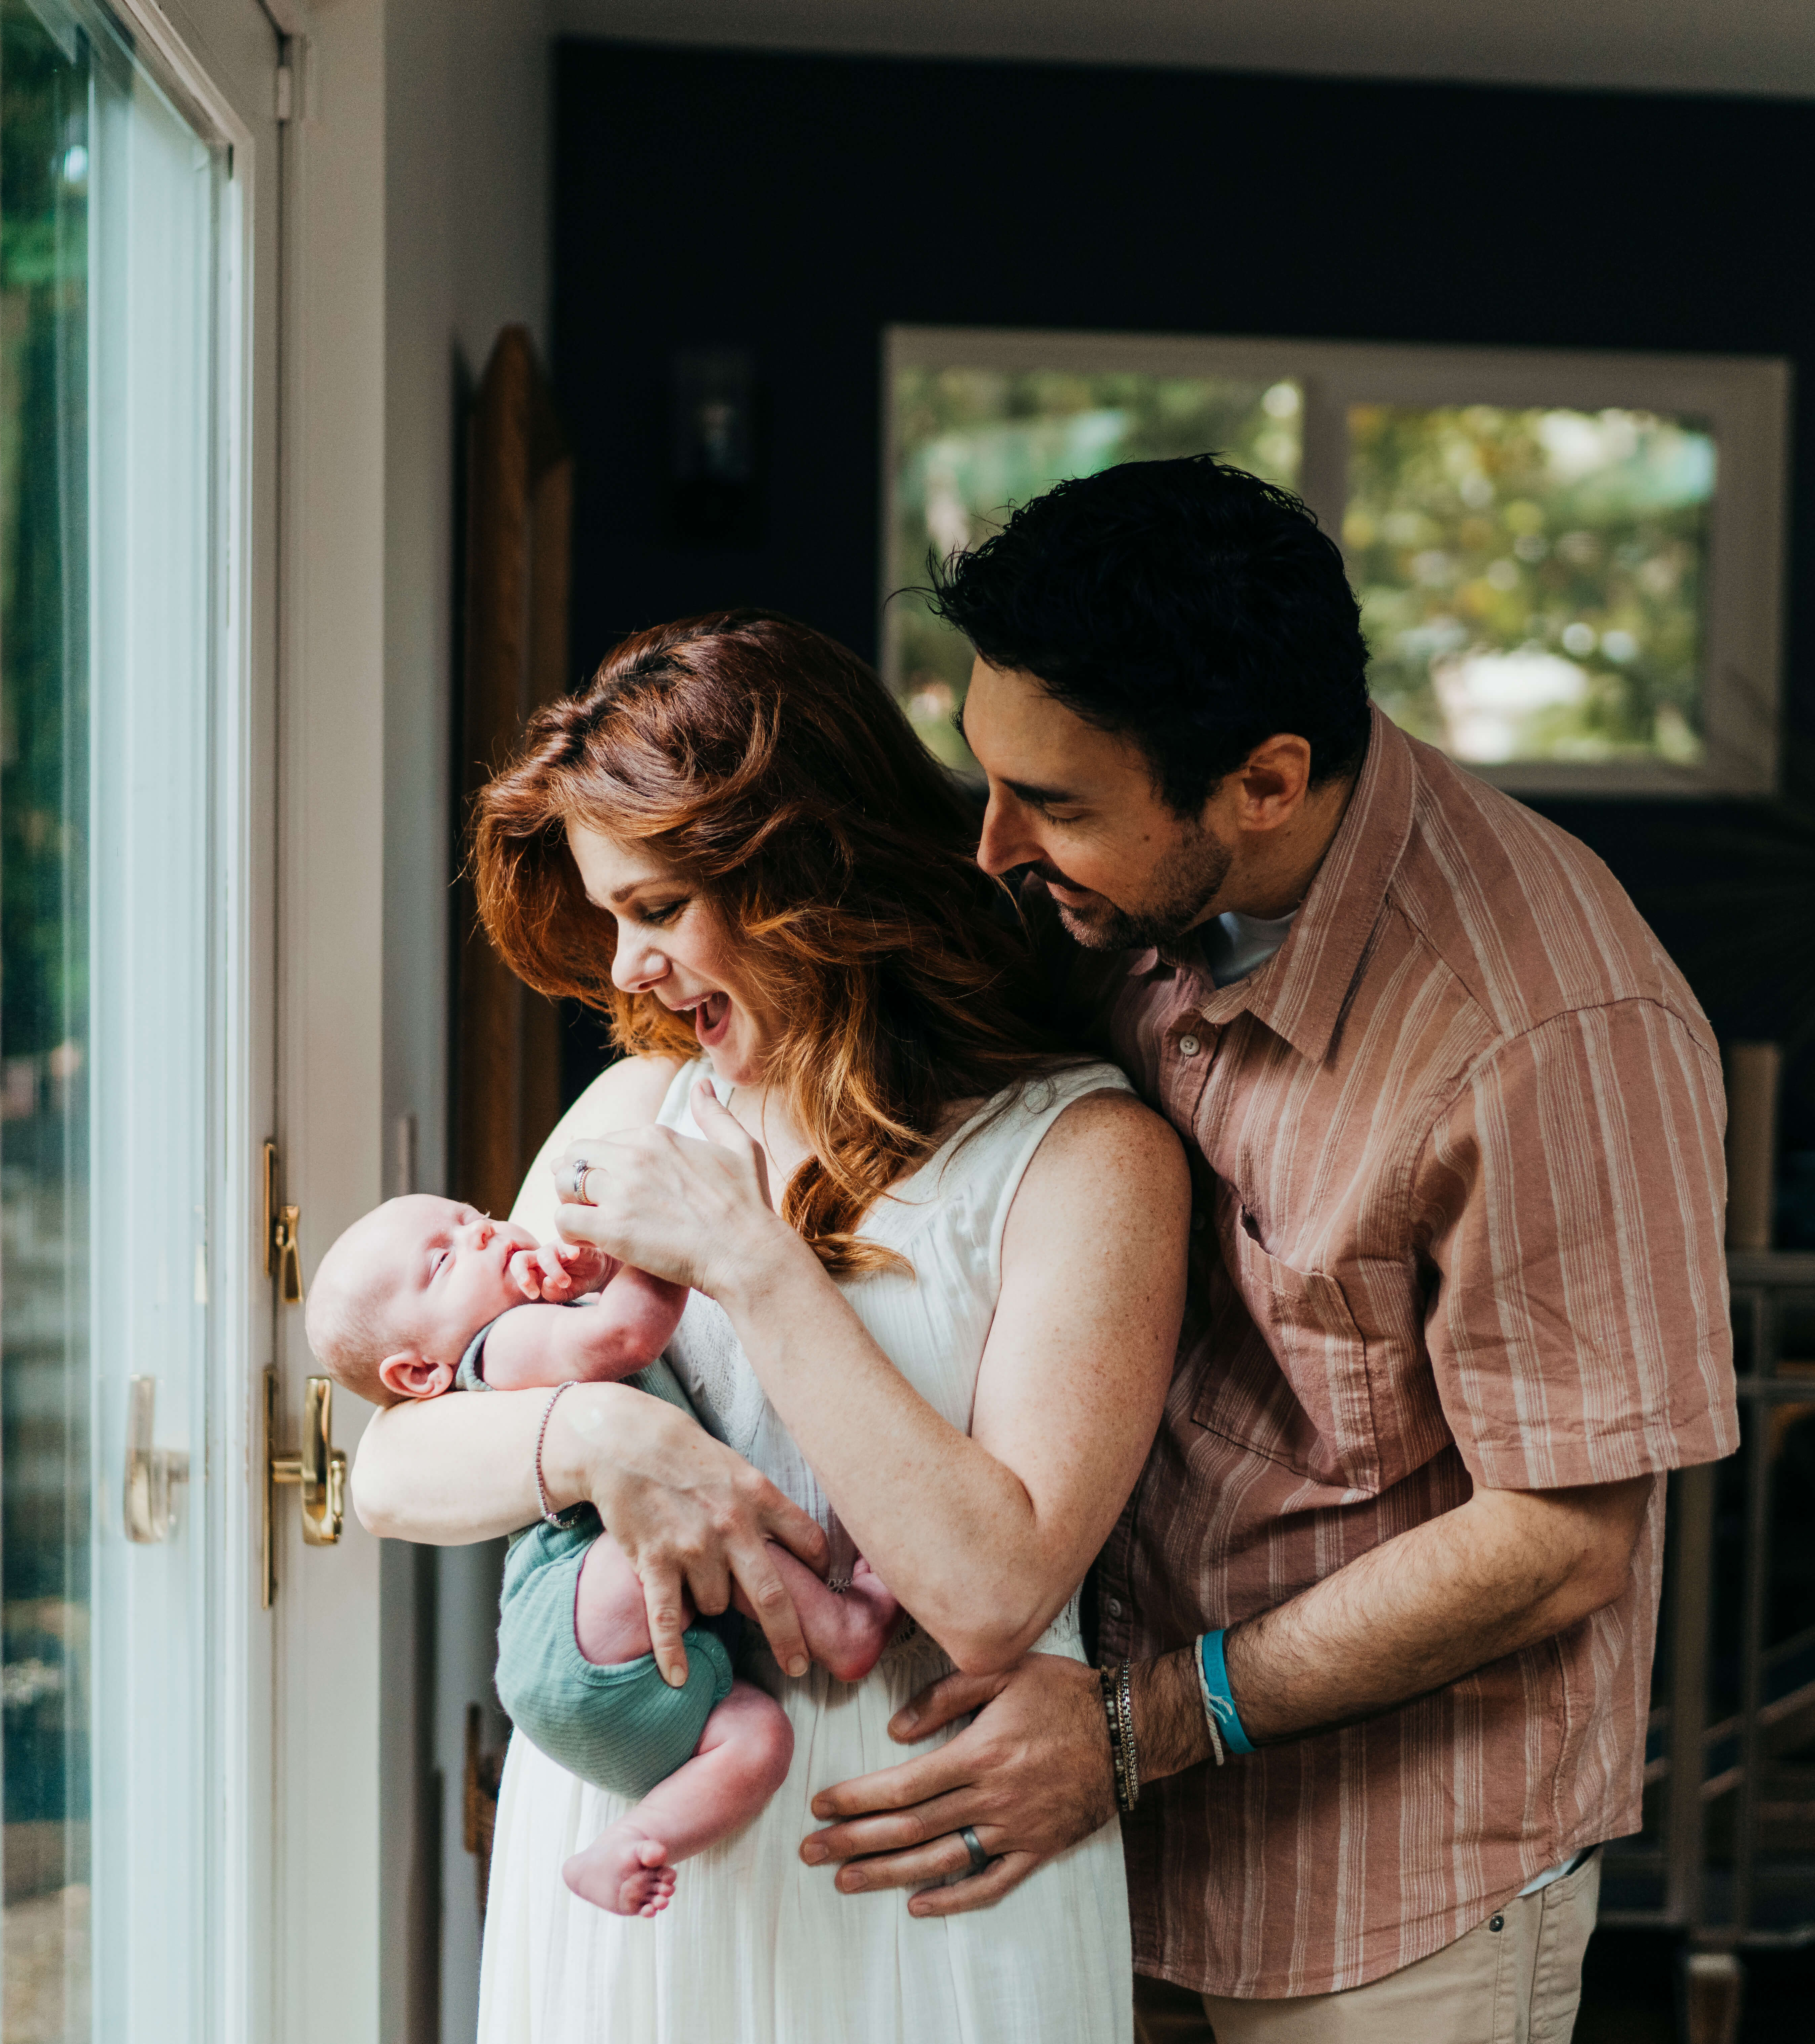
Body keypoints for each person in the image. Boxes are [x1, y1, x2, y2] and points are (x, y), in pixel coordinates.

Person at [794, 457, 1741, 2044]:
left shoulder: (1550, 1031)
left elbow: (1564, 1536)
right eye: (991, 776)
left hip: (1390, 1890)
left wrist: (1133, 1726)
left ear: (1264, 782)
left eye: (1059, 806)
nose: (993, 849)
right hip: (1104, 1816)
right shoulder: (1129, 902)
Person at [345, 612, 1190, 2042]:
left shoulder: (1085, 1156)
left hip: (918, 1881)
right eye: (614, 916)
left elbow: (989, 1590)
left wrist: (756, 1260)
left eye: (659, 910)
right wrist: (594, 1430)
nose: (626, 971)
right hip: (639, 1855)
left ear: (813, 879)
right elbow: (388, 1470)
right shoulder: (635, 1111)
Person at [303, 1194, 898, 1917]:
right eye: (445, 1258)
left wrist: (594, 1271)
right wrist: (660, 1239)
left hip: (621, 1691)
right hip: (568, 1631)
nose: (483, 1232)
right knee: (701, 1513)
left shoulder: (532, 1326)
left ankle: (635, 1838)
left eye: (473, 1215)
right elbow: (626, 1336)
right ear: (421, 1376)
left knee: (757, 1739)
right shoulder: (499, 1344)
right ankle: (839, 1628)